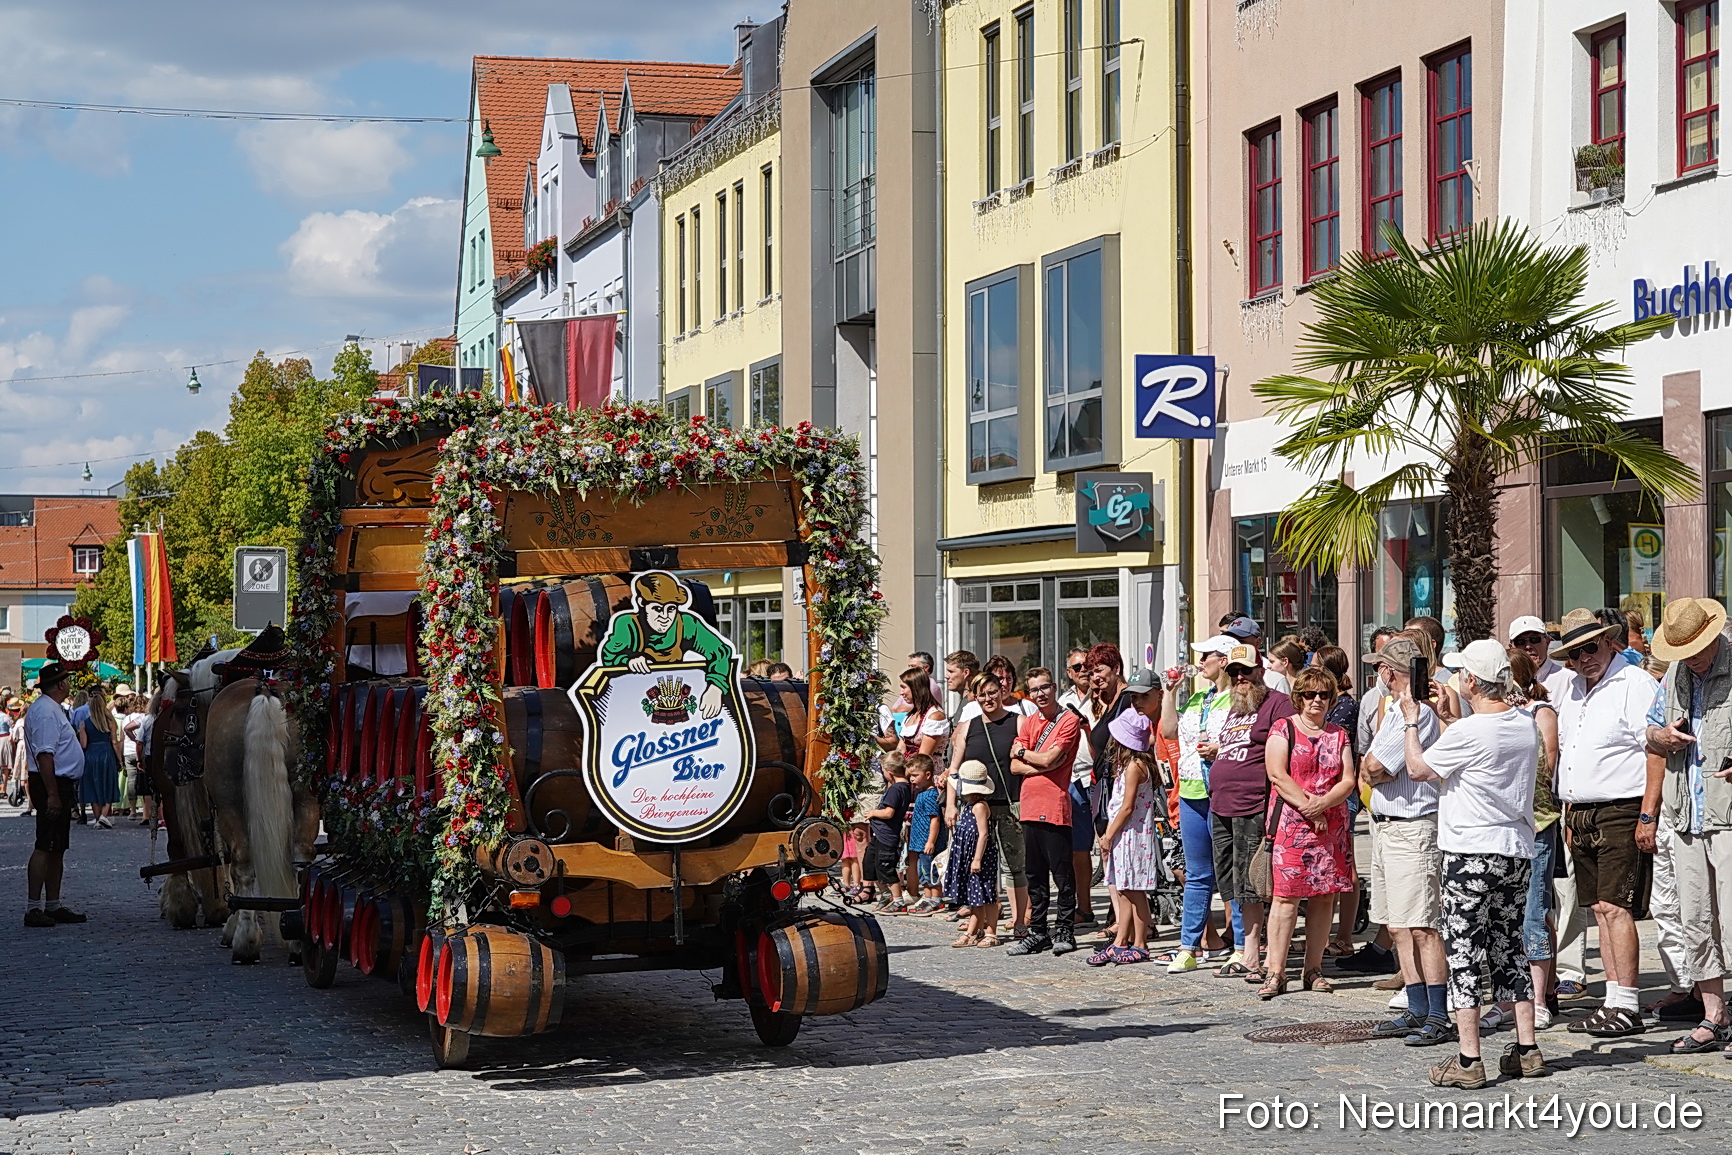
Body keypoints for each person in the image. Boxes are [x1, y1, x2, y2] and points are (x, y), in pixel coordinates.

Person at [1397, 638, 1547, 1088]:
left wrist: (1412, 722)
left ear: (1472, 682)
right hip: (1514, 848)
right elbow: (1478, 748)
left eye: (1462, 673)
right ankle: (1527, 1049)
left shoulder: (1470, 732)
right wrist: (1450, 718)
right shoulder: (1524, 723)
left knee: (1464, 952)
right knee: (1509, 947)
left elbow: (1420, 769)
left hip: (1470, 851)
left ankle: (1469, 1059)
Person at [1551, 606, 1656, 1038]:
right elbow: (1569, 753)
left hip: (1621, 807)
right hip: (1581, 811)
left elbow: (1654, 751)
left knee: (1616, 906)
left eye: (1590, 648)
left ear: (1609, 642)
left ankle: (1627, 1004)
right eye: (1574, 654)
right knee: (1598, 908)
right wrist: (1569, 811)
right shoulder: (1573, 690)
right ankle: (1612, 1000)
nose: (1583, 659)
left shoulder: (1634, 683)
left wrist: (1648, 813)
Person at [1644, 598, 1732, 1057]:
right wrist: (1662, 736)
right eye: (1682, 651)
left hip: (1728, 816)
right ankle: (1714, 1016)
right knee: (1695, 919)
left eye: (1697, 649)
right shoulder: (1675, 675)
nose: (1692, 658)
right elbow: (1649, 731)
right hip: (1686, 816)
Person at [1361, 635, 1453, 1046]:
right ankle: (1416, 1006)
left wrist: (1375, 769)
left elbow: (1378, 766)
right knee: (1397, 924)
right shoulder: (1395, 711)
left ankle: (1438, 1012)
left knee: (1422, 924)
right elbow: (1371, 768)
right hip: (1386, 824)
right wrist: (1375, 769)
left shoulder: (1419, 714)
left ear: (1388, 671)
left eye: (1379, 667)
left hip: (1413, 827)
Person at [1257, 667, 1357, 999]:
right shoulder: (1283, 728)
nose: (1317, 700)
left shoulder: (1339, 734)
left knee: (1325, 896)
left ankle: (1313, 968)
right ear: (1298, 697)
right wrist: (1310, 807)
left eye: (1324, 695)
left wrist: (1324, 804)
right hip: (1292, 824)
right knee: (1285, 897)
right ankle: (1276, 971)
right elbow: (1277, 774)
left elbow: (1348, 779)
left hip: (1331, 824)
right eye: (1310, 694)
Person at [1479, 649, 1562, 1034]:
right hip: (1499, 827)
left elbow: (1545, 767)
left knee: (1533, 913)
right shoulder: (1492, 715)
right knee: (1500, 917)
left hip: (1535, 825)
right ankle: (1505, 999)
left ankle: (1539, 1000)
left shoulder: (1539, 713)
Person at [1207, 643, 1295, 982]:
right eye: (1234, 673)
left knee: (1254, 882)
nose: (1240, 677)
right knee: (1231, 881)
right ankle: (1247, 949)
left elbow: (1288, 749)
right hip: (1222, 803)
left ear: (1260, 670)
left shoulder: (1277, 703)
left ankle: (1257, 954)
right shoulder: (1237, 705)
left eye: (1246, 671)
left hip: (1254, 803)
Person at [1160, 634, 1240, 973]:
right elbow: (1168, 732)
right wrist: (1169, 692)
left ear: (1224, 660)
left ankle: (1241, 946)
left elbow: (1247, 740)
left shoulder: (1239, 697)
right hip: (1192, 792)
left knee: (1233, 871)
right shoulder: (1197, 698)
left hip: (1224, 791)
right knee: (1197, 874)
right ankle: (1188, 947)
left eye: (1207, 655)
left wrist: (1221, 750)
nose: (1200, 661)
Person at [1006, 667, 1083, 956]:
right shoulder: (1029, 722)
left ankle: (1065, 929)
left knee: (1062, 873)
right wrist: (1036, 762)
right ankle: (1038, 931)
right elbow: (1014, 765)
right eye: (1034, 690)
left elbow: (1051, 759)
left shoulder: (1068, 720)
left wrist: (1026, 755)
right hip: (1029, 804)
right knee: (1034, 874)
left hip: (1054, 805)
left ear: (1054, 687)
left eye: (1044, 687)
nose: (1040, 694)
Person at [948, 672, 1028, 936]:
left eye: (992, 692)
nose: (987, 698)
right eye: (981, 694)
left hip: (1010, 804)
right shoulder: (968, 726)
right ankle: (981, 921)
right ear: (975, 697)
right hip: (975, 807)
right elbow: (954, 769)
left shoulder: (1018, 721)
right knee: (978, 866)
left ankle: (1019, 921)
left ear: (1002, 691)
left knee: (1014, 867)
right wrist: (951, 804)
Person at [1088, 708, 1163, 966]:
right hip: (1124, 834)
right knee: (1123, 888)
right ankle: (1121, 940)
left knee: (1135, 890)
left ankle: (1140, 943)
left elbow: (1128, 807)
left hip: (1133, 835)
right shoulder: (1125, 766)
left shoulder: (1135, 767)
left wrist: (1108, 835)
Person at [22, 664, 87, 927]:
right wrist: (52, 794)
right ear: (60, 685)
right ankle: (33, 907)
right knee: (45, 844)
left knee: (56, 847)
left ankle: (53, 904)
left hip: (59, 782)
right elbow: (45, 755)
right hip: (52, 783)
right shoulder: (46, 712)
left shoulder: (51, 708)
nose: (69, 684)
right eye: (66, 681)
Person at [1059, 646, 1100, 928]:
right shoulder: (1064, 701)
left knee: (1109, 845)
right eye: (1077, 667)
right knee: (1079, 849)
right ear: (1069, 673)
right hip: (1074, 778)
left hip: (1102, 776)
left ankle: (1118, 912)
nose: (1083, 670)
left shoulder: (1104, 696)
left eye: (1087, 665)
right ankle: (1084, 907)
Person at [946, 760, 1001, 947]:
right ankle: (973, 931)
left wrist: (977, 859)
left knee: (987, 895)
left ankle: (991, 932)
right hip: (968, 855)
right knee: (975, 896)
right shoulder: (968, 805)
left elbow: (983, 834)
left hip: (981, 856)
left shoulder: (979, 806)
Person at [865, 752, 913, 912]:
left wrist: (873, 812)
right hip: (879, 835)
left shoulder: (897, 789)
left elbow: (888, 813)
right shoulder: (900, 787)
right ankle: (885, 895)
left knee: (886, 868)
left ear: (890, 772)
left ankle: (898, 902)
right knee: (870, 864)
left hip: (887, 836)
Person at [72, 685, 121, 829]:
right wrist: (120, 759)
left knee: (93, 786)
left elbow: (83, 745)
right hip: (106, 753)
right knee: (109, 784)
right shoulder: (110, 721)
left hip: (91, 754)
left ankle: (99, 817)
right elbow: (114, 741)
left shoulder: (84, 723)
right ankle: (104, 817)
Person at [903, 755, 946, 915]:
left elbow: (935, 819)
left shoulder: (930, 795)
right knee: (923, 872)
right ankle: (928, 898)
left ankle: (936, 899)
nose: (912, 779)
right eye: (910, 775)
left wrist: (931, 841)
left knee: (931, 872)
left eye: (915, 775)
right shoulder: (921, 794)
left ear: (927, 775)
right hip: (920, 842)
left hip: (927, 842)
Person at [877, 668, 949, 759]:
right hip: (907, 766)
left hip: (924, 767)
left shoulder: (935, 717)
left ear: (916, 688)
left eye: (903, 687)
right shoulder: (910, 716)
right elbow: (900, 751)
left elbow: (923, 758)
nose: (901, 693)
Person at [1221, 616, 1290, 694]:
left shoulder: (1275, 679)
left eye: (1241, 641)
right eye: (1231, 641)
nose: (1235, 645)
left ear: (1257, 641)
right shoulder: (1223, 677)